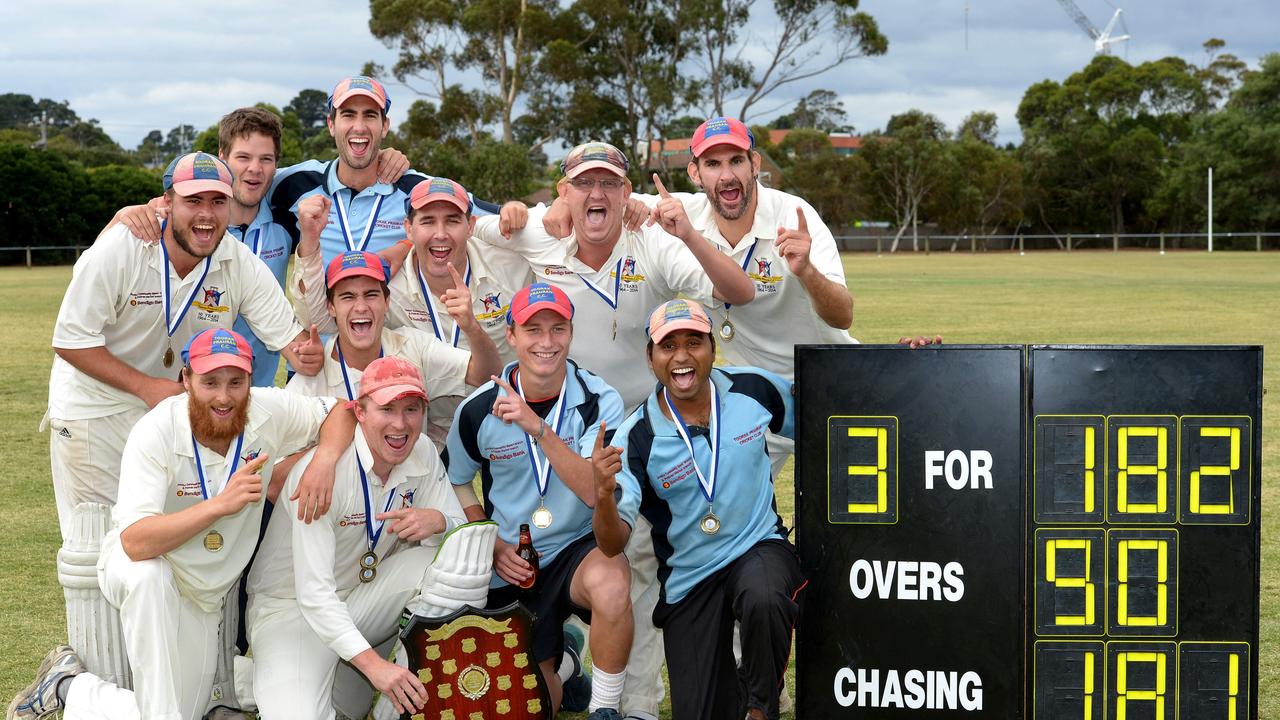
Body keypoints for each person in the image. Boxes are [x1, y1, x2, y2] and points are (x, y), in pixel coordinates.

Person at [480, 141, 756, 720]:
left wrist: (681, 233)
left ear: (627, 193)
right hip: (584, 434)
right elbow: (470, 229)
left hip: (661, 428)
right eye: (583, 184)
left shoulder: (651, 238)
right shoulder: (542, 232)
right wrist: (511, 211)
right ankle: (633, 706)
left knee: (706, 553)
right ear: (564, 193)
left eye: (609, 183)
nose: (596, 194)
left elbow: (733, 291)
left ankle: (746, 688)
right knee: (626, 569)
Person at [10, 328, 348, 720]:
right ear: (186, 380)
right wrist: (218, 505)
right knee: (148, 578)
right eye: (210, 382)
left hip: (203, 597)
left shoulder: (268, 411)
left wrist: (323, 460)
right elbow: (136, 542)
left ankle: (70, 687)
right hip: (145, 567)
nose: (224, 396)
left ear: (250, 381)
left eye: (236, 382)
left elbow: (339, 411)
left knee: (177, 711)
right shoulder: (156, 430)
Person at [45, 151, 323, 542]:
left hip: (169, 414)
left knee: (163, 540)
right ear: (166, 202)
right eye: (193, 201)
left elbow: (291, 340)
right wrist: (146, 387)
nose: (206, 215)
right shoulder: (124, 246)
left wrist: (309, 353)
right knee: (94, 546)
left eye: (217, 201)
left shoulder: (237, 261)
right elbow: (70, 341)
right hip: (96, 411)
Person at [445, 283, 634, 720]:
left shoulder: (599, 399)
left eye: (557, 329)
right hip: (514, 560)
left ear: (570, 333)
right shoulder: (477, 409)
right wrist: (490, 544)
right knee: (525, 708)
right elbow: (455, 481)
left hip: (576, 548)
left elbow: (593, 490)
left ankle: (605, 709)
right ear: (511, 335)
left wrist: (538, 429)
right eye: (533, 330)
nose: (546, 343)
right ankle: (565, 662)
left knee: (613, 582)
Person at [609, 299, 806, 720]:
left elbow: (826, 410)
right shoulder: (635, 436)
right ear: (651, 357)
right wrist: (600, 491)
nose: (682, 356)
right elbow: (613, 542)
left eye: (693, 342)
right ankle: (735, 688)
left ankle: (760, 706)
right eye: (668, 345)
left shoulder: (753, 389)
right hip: (690, 577)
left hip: (758, 546)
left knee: (764, 596)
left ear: (712, 349)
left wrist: (904, 362)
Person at [245, 356, 472, 719]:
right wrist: (374, 667)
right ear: (361, 412)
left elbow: (465, 543)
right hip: (292, 611)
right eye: (387, 409)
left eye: (412, 409)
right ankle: (252, 678)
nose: (401, 424)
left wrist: (440, 519)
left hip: (362, 598)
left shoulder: (424, 451)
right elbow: (315, 595)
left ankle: (405, 695)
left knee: (456, 562)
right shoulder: (321, 472)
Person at [289, 177, 529, 437]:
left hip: (506, 415)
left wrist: (517, 209)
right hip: (431, 428)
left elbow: (555, 232)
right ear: (408, 229)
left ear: (470, 225)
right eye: (427, 221)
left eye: (452, 220)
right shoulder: (390, 288)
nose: (440, 233)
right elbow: (321, 316)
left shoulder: (509, 263)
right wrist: (310, 239)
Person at [285, 236, 501, 451]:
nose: (360, 307)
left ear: (386, 302)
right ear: (331, 307)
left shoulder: (413, 345)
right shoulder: (308, 381)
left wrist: (472, 327)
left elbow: (486, 375)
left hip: (410, 482)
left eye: (371, 295)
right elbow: (279, 466)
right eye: (348, 297)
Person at [269, 76, 497, 266]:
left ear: (385, 125)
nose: (359, 126)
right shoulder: (296, 182)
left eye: (369, 115)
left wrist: (514, 211)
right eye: (348, 114)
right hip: (319, 318)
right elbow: (243, 189)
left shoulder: (417, 188)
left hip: (395, 320)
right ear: (331, 125)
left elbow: (497, 219)